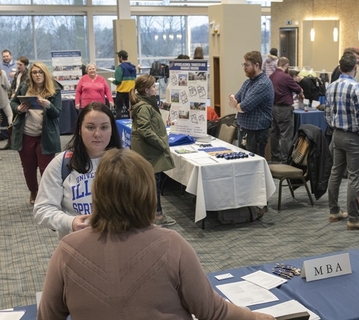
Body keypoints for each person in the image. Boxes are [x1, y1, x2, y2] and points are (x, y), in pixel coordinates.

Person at [37, 148, 275, 320]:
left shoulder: (67, 249)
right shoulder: (172, 244)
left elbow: (47, 316)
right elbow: (212, 312)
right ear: (147, 193)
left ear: (97, 192)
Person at [33, 102, 122, 239]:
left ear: (112, 130)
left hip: (118, 244)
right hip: (76, 247)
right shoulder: (62, 163)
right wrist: (70, 222)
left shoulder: (126, 163)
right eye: (90, 127)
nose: (97, 134)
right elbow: (42, 209)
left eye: (104, 127)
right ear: (80, 130)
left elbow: (141, 207)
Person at [325, 51, 359, 230]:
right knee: (354, 177)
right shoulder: (356, 87)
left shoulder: (331, 86)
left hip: (337, 134)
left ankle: (334, 210)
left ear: (339, 68)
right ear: (356, 67)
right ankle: (353, 218)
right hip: (354, 137)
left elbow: (328, 114)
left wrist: (335, 127)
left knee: (336, 172)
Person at [10, 62, 63, 205]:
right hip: (26, 134)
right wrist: (19, 109)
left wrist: (48, 105)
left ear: (45, 73)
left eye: (40, 72)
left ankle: (47, 195)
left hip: (46, 136)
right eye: (34, 72)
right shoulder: (24, 87)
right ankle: (34, 191)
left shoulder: (55, 90)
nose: (37, 75)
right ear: (31, 75)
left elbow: (57, 113)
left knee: (46, 169)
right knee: (28, 168)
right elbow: (13, 103)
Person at [129, 74, 176, 226]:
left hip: (149, 152)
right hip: (150, 153)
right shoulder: (144, 107)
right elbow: (145, 130)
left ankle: (154, 215)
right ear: (146, 90)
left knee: (151, 185)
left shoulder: (146, 104)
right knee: (153, 186)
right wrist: (162, 143)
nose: (156, 88)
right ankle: (157, 217)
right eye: (154, 86)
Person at [229, 50, 274, 157]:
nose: (244, 68)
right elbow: (234, 102)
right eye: (243, 65)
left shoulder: (263, 84)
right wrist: (235, 104)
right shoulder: (248, 82)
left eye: (247, 65)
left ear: (257, 65)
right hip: (244, 129)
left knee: (254, 166)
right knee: (242, 162)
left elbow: (243, 107)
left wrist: (236, 105)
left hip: (256, 133)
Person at [269, 56, 303, 163]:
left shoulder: (271, 76)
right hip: (284, 109)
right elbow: (298, 89)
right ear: (287, 65)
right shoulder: (286, 77)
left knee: (274, 133)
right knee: (286, 135)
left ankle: (275, 157)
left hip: (273, 108)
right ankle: (285, 160)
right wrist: (302, 94)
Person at [112, 50, 136, 119]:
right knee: (130, 110)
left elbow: (118, 80)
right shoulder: (133, 67)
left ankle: (118, 126)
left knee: (118, 110)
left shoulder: (120, 68)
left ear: (121, 57)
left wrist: (113, 81)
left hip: (121, 92)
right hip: (131, 92)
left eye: (119, 57)